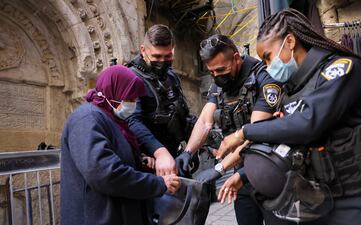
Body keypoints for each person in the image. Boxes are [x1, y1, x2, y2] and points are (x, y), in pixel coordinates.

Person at [216, 9, 361, 225]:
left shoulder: (341, 70)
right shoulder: (293, 90)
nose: (268, 67)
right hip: (325, 202)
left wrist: (244, 132)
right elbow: (287, 143)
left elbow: (307, 124)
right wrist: (244, 175)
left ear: (290, 41)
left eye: (268, 57)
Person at [179, 34, 283, 225]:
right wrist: (188, 152)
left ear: (236, 58)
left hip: (268, 172)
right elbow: (204, 121)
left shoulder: (264, 78)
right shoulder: (218, 86)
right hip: (240, 176)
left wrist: (220, 168)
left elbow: (256, 133)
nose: (217, 76)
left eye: (221, 69)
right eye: (212, 72)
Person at [60, 65, 181, 225]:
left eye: (135, 99)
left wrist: (140, 161)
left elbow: (114, 156)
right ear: (113, 91)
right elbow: (103, 173)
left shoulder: (110, 119)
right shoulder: (87, 119)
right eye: (129, 98)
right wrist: (158, 184)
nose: (133, 104)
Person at [125, 24, 196, 176]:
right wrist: (160, 153)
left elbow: (181, 112)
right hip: (150, 162)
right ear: (143, 50)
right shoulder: (130, 78)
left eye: (168, 56)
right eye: (157, 57)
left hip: (176, 155)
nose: (162, 62)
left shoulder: (171, 75)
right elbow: (132, 122)